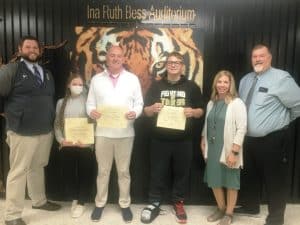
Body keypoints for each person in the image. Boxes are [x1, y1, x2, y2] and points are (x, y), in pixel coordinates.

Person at [0, 36, 61, 225]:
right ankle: (12, 215)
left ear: (40, 51)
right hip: (21, 131)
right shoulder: (10, 70)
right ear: (20, 50)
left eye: (35, 47)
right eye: (28, 47)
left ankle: (39, 201)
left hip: (44, 130)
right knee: (18, 172)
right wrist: (10, 116)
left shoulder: (46, 73)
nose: (32, 49)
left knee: (37, 167)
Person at [237, 44, 300, 225]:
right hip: (247, 139)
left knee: (275, 180)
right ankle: (250, 206)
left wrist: (283, 121)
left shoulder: (281, 78)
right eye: (254, 56)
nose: (257, 59)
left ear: (270, 58)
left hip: (273, 139)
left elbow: (297, 105)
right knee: (249, 175)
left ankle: (276, 218)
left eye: (261, 56)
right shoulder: (245, 80)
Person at [141, 51, 205, 224]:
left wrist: (193, 112)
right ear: (166, 65)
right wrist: (152, 109)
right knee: (156, 173)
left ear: (182, 65)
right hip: (159, 139)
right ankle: (154, 203)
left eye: (177, 62)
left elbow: (201, 111)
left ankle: (179, 202)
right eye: (170, 62)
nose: (173, 65)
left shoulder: (192, 86)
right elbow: (145, 112)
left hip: (183, 141)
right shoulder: (156, 86)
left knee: (182, 173)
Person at [86, 45, 144, 223]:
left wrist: (135, 112)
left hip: (125, 133)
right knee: (103, 171)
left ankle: (125, 204)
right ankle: (100, 203)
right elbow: (89, 104)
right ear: (107, 58)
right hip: (102, 133)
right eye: (112, 55)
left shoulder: (132, 79)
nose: (116, 58)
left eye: (119, 56)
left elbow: (139, 103)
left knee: (124, 172)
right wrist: (92, 112)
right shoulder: (96, 79)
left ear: (123, 59)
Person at [201, 70, 247, 225]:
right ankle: (221, 208)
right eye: (219, 81)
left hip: (228, 148)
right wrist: (203, 139)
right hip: (213, 148)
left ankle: (229, 213)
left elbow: (242, 129)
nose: (222, 85)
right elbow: (208, 123)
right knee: (215, 181)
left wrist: (234, 152)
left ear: (230, 84)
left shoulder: (236, 103)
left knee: (231, 182)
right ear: (215, 83)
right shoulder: (211, 102)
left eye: (225, 82)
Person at [54, 72, 94, 218]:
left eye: (80, 84)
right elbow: (57, 125)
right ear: (68, 86)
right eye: (74, 84)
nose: (77, 87)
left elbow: (94, 124)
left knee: (85, 173)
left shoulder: (89, 102)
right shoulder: (60, 102)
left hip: (85, 145)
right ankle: (74, 198)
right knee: (69, 173)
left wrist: (89, 142)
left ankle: (82, 201)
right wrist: (61, 140)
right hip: (68, 145)